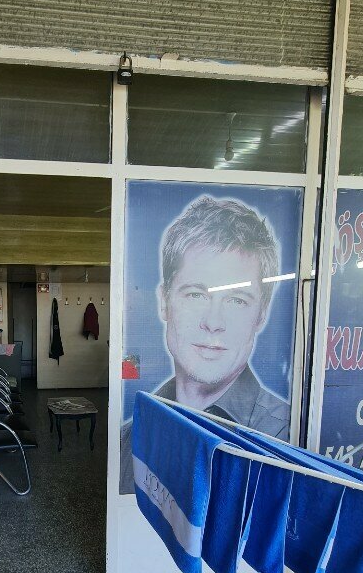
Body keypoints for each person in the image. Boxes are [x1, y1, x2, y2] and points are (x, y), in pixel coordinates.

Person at [120, 194, 290, 493]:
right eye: (196, 295)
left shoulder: (284, 436)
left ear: (261, 314)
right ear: (164, 302)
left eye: (237, 300)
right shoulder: (130, 436)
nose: (213, 322)